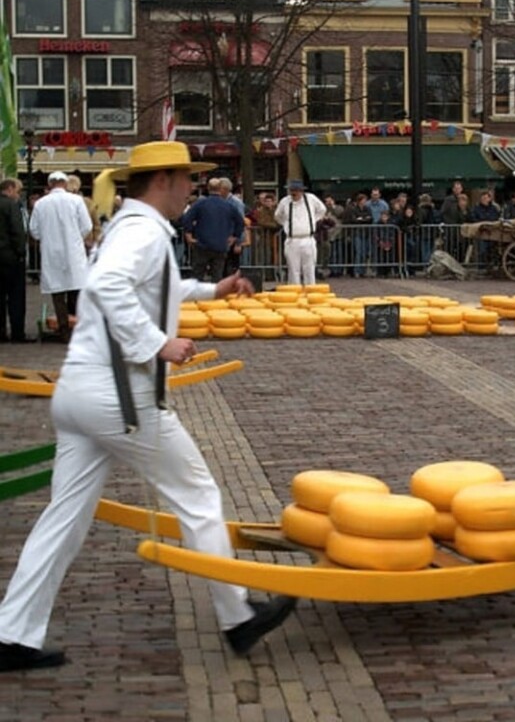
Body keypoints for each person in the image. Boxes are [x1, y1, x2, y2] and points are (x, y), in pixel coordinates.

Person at [0, 141, 296, 673]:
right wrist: (154, 344)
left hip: (81, 393)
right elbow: (107, 285)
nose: (193, 188)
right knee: (199, 494)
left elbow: (150, 288)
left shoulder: (130, 228)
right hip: (119, 397)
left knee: (63, 518)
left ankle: (11, 633)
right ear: (162, 180)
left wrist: (211, 289)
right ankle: (236, 615)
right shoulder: (140, 232)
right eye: (187, 179)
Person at [28, 171, 93, 343]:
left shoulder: (41, 204)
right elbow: (87, 226)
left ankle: (64, 331)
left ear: (50, 185)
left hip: (51, 253)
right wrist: (74, 237)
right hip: (73, 253)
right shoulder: (76, 200)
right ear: (65, 184)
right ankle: (79, 330)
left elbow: (34, 230)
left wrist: (47, 237)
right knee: (76, 292)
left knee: (58, 295)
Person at [182, 177, 244, 283]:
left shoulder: (200, 204)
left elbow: (187, 218)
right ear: (220, 188)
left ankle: (197, 297)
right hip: (221, 244)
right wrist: (234, 237)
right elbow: (240, 222)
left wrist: (189, 234)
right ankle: (216, 297)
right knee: (217, 275)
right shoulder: (228, 206)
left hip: (202, 243)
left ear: (207, 188)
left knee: (198, 274)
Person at [274, 178, 327, 286]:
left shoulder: (311, 199)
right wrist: (287, 224)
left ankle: (310, 292)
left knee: (309, 269)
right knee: (293, 270)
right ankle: (295, 293)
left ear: (301, 191)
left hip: (308, 239)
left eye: (296, 190)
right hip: (292, 240)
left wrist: (313, 220)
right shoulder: (285, 201)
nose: (294, 192)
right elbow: (278, 216)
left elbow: (322, 210)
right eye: (292, 190)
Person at [0, 178, 30, 343]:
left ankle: (1, 332)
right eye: (18, 191)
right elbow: (17, 231)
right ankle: (17, 332)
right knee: (16, 297)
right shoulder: (11, 205)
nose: (19, 195)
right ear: (10, 189)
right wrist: (21, 253)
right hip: (10, 257)